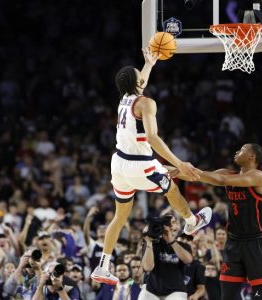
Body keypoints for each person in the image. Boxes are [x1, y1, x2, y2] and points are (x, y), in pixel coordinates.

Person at [91, 48, 212, 285]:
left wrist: (149, 63)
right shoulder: (146, 103)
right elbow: (153, 138)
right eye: (140, 74)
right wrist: (180, 163)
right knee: (172, 188)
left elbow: (139, 83)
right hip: (140, 164)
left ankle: (103, 266)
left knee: (120, 216)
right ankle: (191, 221)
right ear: (136, 82)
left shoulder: (124, 99)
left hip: (119, 164)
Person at [171, 143, 262, 300]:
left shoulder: (258, 176)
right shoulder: (229, 173)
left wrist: (187, 170)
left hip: (254, 241)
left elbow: (221, 179)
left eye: (242, 150)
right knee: (227, 295)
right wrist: (172, 171)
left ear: (252, 156)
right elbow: (200, 176)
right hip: (233, 242)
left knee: (260, 296)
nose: (237, 151)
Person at [138, 215, 192, 300]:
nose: (170, 226)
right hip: (152, 290)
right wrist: (148, 241)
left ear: (177, 228)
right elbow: (148, 267)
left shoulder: (184, 246)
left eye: (173, 222)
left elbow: (188, 260)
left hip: (176, 290)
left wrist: (171, 241)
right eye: (166, 223)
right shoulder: (152, 244)